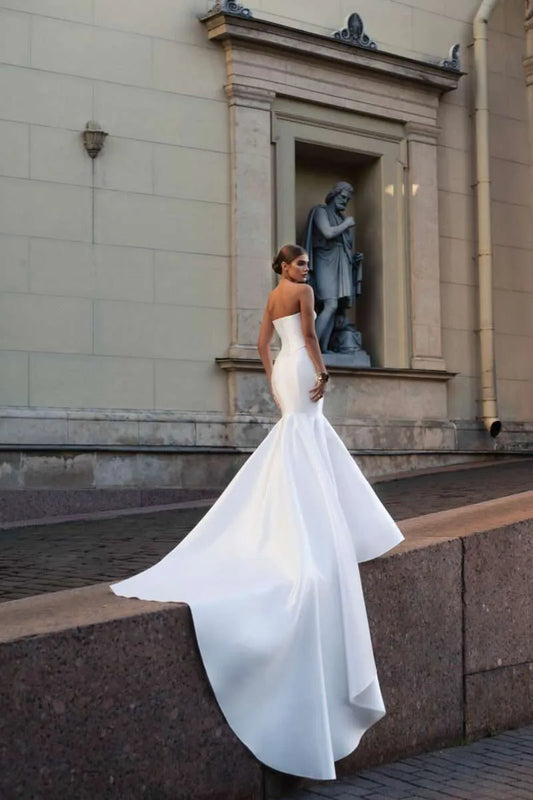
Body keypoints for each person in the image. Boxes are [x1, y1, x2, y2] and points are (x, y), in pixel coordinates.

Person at [111, 244, 404, 781]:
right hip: (305, 368)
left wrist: (275, 376)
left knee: (299, 434)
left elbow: (262, 344)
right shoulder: (303, 296)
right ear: (284, 267)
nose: (305, 272)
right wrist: (323, 372)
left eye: (307, 268)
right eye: (298, 265)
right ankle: (321, 516)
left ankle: (301, 508)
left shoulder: (272, 297)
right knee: (309, 432)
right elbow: (312, 337)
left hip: (284, 373)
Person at [300, 181, 357, 352]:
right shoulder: (320, 211)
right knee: (330, 304)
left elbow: (345, 243)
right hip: (325, 259)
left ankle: (323, 349)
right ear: (334, 195)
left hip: (340, 261)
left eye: (347, 200)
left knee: (334, 306)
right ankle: (310, 348)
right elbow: (327, 232)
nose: (344, 202)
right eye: (342, 197)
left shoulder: (340, 218)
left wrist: (354, 259)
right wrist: (347, 224)